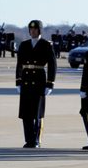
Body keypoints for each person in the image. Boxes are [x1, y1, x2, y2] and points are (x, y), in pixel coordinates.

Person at [15, 20, 57, 148]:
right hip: (26, 80)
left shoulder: (46, 45)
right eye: (31, 29)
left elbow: (52, 65)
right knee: (26, 113)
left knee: (37, 113)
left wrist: (50, 84)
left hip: (39, 80)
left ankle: (36, 140)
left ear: (39, 30)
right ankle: (29, 140)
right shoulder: (24, 44)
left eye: (35, 29)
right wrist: (18, 81)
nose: (32, 31)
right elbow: (19, 64)